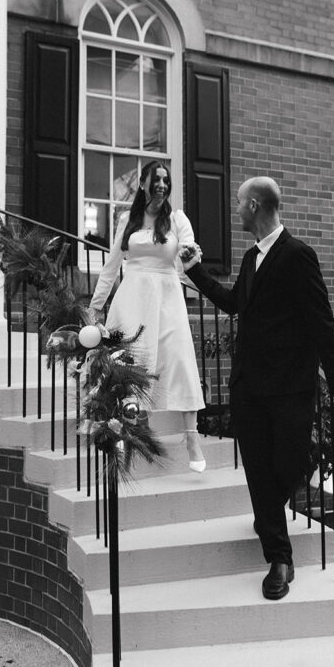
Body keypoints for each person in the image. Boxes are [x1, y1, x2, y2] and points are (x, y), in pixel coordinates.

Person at [181, 176, 334, 599]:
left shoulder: (298, 255)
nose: (237, 210)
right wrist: (194, 271)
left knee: (291, 463)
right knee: (259, 470)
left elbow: (321, 321)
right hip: (249, 388)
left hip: (290, 388)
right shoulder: (249, 258)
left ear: (256, 205)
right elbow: (234, 304)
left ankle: (266, 516)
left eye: (241, 204)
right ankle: (279, 558)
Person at [88, 161, 207, 472]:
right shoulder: (128, 219)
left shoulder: (178, 220)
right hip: (132, 297)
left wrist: (190, 255)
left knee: (179, 360)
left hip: (167, 297)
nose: (162, 185)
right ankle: (127, 430)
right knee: (130, 364)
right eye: (156, 179)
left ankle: (191, 437)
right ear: (143, 183)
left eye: (166, 180)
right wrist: (96, 305)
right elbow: (112, 264)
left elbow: (188, 259)